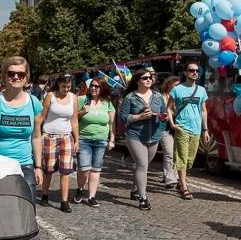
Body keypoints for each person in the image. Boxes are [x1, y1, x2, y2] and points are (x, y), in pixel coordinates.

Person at [118, 69, 168, 210]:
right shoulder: (130, 98)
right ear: (137, 81)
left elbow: (164, 113)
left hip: (154, 135)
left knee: (143, 166)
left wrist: (162, 117)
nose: (148, 80)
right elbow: (122, 117)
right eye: (145, 78)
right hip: (135, 135)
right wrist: (139, 117)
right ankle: (143, 198)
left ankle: (135, 189)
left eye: (150, 77)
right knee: (142, 164)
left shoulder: (158, 96)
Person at [169, 62, 210, 200]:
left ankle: (181, 181)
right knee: (182, 156)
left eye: (197, 71)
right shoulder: (177, 89)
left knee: (190, 159)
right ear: (185, 73)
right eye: (192, 70)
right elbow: (169, 108)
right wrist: (172, 124)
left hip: (196, 129)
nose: (195, 73)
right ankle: (183, 186)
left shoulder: (202, 90)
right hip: (182, 128)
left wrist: (205, 130)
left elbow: (203, 110)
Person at [39, 73, 79, 212]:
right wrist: (36, 135)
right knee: (48, 169)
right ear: (58, 85)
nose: (66, 89)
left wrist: (77, 140)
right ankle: (45, 195)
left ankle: (64, 201)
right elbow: (41, 116)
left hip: (66, 137)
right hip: (50, 137)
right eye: (63, 86)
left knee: (66, 171)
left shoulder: (73, 98)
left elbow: (74, 120)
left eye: (68, 87)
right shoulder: (50, 96)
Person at [74, 78, 115, 207]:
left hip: (101, 140)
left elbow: (112, 123)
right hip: (84, 139)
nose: (93, 88)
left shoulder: (108, 103)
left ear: (102, 88)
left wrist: (112, 139)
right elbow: (72, 118)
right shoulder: (82, 100)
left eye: (97, 86)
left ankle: (91, 197)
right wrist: (82, 112)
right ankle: (80, 189)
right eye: (92, 85)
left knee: (96, 169)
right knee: (84, 168)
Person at [158, 76, 180, 192]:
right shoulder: (161, 97)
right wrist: (163, 116)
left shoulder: (179, 97)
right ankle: (170, 179)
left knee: (177, 154)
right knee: (169, 153)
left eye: (178, 85)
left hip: (177, 129)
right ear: (168, 85)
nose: (177, 87)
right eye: (175, 85)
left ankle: (173, 175)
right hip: (165, 129)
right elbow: (156, 112)